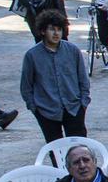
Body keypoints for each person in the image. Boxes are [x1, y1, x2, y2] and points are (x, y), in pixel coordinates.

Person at [19, 10, 92, 142]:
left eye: (59, 30)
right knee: (55, 149)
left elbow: (83, 79)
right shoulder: (32, 55)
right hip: (46, 110)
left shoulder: (73, 51)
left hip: (74, 107)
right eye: (52, 30)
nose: (56, 33)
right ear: (42, 31)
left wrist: (84, 102)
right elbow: (26, 86)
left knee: (79, 147)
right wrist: (34, 108)